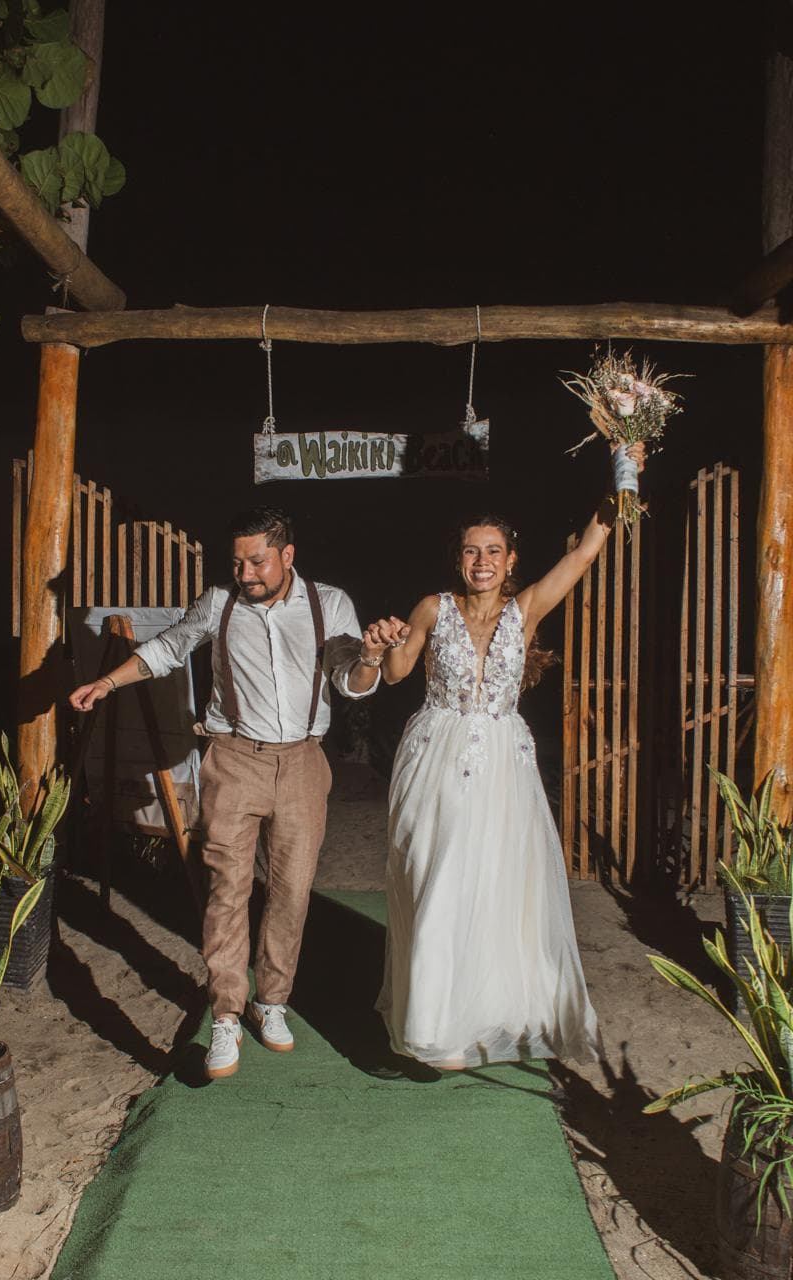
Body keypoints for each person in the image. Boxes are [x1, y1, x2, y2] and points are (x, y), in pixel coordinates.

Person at [69, 507, 381, 1079]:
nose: (246, 573)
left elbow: (350, 683)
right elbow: (168, 649)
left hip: (304, 762)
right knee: (226, 890)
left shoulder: (329, 604)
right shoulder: (219, 604)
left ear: (287, 554)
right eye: (237, 562)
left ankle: (271, 1002)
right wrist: (106, 682)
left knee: (291, 891)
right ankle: (226, 1016)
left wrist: (372, 657)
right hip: (234, 758)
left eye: (257, 561)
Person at [362, 446, 644, 1070]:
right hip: (437, 756)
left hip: (504, 766)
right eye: (471, 550)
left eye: (493, 551)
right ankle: (433, 1024)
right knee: (438, 880)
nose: (481, 561)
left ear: (511, 561)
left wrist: (623, 473)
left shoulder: (527, 610)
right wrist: (382, 647)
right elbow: (401, 669)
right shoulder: (434, 608)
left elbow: (585, 552)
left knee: (494, 884)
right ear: (457, 559)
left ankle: (486, 1014)